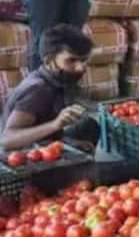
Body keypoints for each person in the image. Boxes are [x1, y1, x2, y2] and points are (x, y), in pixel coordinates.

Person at [1, 24, 98, 153]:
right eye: (71, 60)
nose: (80, 67)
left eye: (83, 60)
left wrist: (70, 143)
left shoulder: (57, 80)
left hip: (42, 143)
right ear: (49, 61)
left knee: (89, 125)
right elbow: (7, 140)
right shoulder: (38, 89)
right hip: (22, 157)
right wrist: (55, 125)